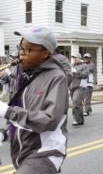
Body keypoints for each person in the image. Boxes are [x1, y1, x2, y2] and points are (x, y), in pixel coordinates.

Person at [0, 26, 68, 173]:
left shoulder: (57, 78)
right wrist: (4, 132)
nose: (21, 53)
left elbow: (50, 119)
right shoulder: (22, 74)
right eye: (21, 48)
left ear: (45, 53)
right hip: (23, 150)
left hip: (46, 151)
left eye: (28, 49)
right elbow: (21, 108)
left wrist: (8, 112)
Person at [70, 52, 88, 126]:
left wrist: (76, 72)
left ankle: (76, 120)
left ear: (79, 58)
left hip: (80, 87)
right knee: (78, 104)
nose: (74, 59)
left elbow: (85, 75)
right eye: (73, 58)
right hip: (72, 87)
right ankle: (80, 120)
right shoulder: (71, 65)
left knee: (75, 103)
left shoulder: (84, 65)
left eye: (75, 57)